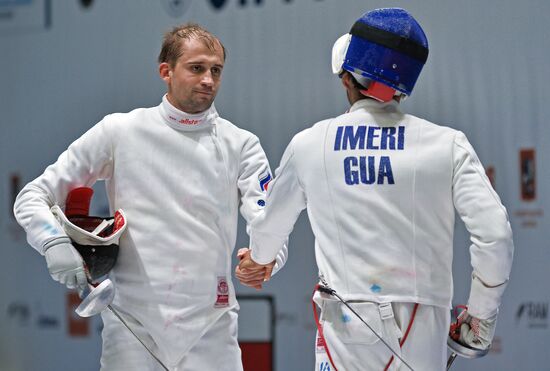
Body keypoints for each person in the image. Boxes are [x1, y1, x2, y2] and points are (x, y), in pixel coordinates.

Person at [238, 8, 514, 371]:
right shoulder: (448, 144)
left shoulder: (310, 143)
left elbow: (269, 227)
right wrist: (479, 318)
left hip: (347, 323)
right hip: (424, 324)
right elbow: (495, 237)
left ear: (347, 77)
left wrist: (259, 260)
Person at [14, 23, 286, 371]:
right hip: (132, 328)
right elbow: (33, 195)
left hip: (211, 327)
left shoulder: (241, 144)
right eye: (197, 68)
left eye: (216, 70)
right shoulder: (120, 131)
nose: (208, 79)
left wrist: (266, 258)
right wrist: (52, 243)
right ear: (166, 72)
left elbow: (270, 219)